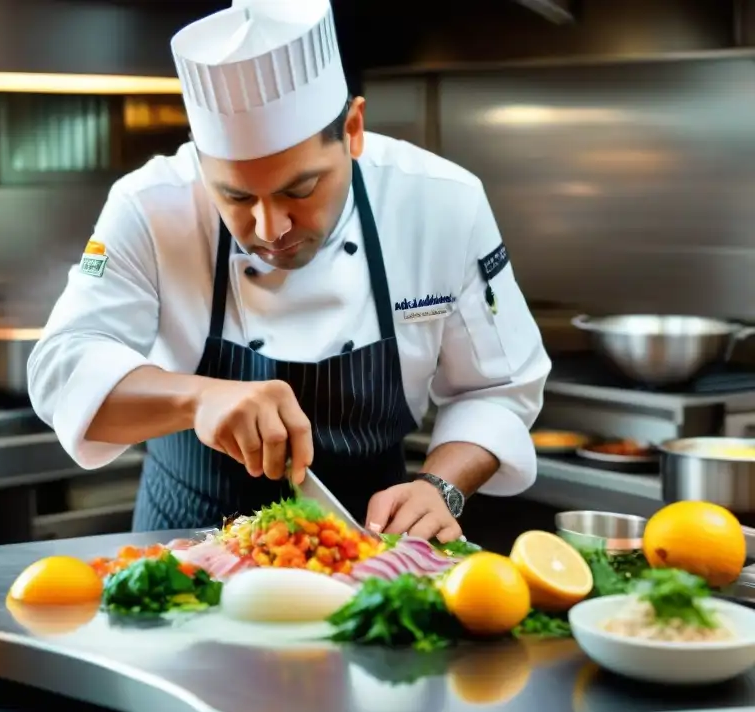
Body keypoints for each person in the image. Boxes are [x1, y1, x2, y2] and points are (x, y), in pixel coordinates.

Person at [28, 0, 551, 543]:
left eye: (299, 189)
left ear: (353, 129)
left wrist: (440, 487)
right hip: (186, 553)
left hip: (368, 549)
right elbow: (63, 370)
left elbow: (499, 389)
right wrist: (198, 397)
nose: (270, 227)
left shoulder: (442, 203)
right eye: (233, 195)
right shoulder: (149, 204)